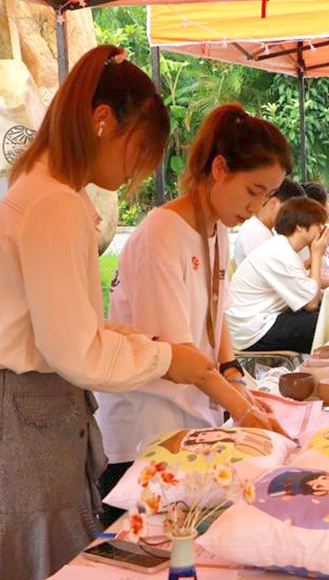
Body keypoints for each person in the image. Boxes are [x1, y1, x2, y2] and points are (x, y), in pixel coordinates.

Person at [0, 46, 215, 580]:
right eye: (139, 150)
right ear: (102, 120)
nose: (139, 170)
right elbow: (78, 354)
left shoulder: (45, 193)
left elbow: (70, 329)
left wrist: (146, 343)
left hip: (19, 416)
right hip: (18, 428)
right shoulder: (54, 204)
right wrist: (166, 357)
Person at [94, 104, 291, 526]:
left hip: (191, 427)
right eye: (253, 190)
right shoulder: (161, 234)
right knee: (154, 552)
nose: (257, 207)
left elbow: (217, 314)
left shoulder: (217, 227)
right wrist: (243, 411)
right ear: (220, 168)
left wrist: (236, 378)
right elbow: (179, 356)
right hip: (145, 435)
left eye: (266, 196)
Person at [226, 197, 329, 354]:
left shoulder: (282, 248)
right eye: (319, 225)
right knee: (322, 322)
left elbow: (310, 294)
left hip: (258, 322)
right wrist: (317, 254)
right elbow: (311, 303)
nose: (322, 231)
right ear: (299, 226)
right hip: (252, 330)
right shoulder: (281, 253)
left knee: (326, 312)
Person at [232, 177, 304, 267]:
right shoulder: (256, 231)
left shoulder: (266, 230)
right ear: (273, 203)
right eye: (290, 212)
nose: (292, 218)